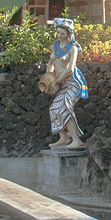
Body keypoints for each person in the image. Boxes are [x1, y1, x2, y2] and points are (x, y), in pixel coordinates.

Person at [43, 18, 88, 148]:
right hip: (60, 83)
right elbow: (51, 63)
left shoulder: (72, 48)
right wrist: (48, 78)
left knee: (65, 106)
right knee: (54, 109)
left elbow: (70, 68)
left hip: (72, 82)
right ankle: (63, 137)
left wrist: (57, 81)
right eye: (58, 32)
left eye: (63, 33)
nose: (60, 35)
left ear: (69, 34)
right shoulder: (55, 45)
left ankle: (76, 139)